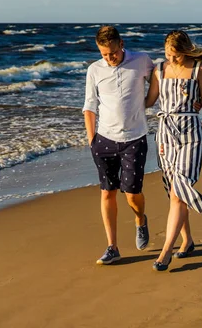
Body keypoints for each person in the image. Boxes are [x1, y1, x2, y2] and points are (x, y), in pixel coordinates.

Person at [145, 30, 202, 271]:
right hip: (165, 134)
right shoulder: (159, 69)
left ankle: (165, 252)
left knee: (180, 189)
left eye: (176, 55)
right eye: (168, 54)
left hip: (191, 133)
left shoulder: (198, 69)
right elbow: (148, 102)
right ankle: (187, 241)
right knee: (173, 191)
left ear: (186, 50)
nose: (172, 59)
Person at [83, 25, 153, 265]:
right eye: (104, 54)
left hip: (135, 138)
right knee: (107, 192)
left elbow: (164, 81)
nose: (109, 58)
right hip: (104, 140)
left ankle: (140, 220)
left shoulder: (142, 61)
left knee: (132, 194)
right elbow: (89, 106)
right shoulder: (94, 69)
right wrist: (92, 139)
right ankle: (112, 246)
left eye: (112, 53)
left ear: (121, 44)